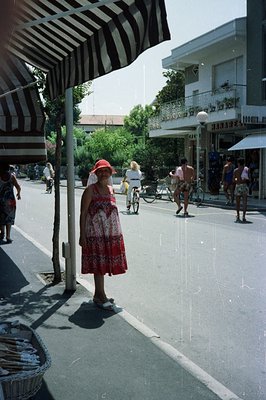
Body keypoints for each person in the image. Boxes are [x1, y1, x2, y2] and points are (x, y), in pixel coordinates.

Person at [79, 159, 127, 311]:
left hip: (110, 234)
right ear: (96, 173)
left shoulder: (111, 189)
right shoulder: (90, 190)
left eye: (106, 170)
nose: (103, 173)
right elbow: (83, 213)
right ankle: (102, 296)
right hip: (95, 234)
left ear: (110, 172)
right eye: (100, 171)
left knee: (104, 264)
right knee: (98, 265)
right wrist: (82, 235)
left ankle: (97, 295)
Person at [0, 163, 21, 243]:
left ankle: (2, 233)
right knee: (9, 218)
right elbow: (18, 187)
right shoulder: (12, 177)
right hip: (10, 200)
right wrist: (18, 194)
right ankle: (8, 236)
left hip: (1, 200)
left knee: (1, 217)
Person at [233, 157, 250, 223]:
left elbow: (234, 180)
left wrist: (237, 179)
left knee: (237, 203)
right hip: (244, 186)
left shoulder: (236, 170)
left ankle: (238, 215)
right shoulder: (247, 169)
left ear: (238, 163)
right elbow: (249, 178)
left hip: (238, 186)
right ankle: (244, 216)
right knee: (245, 202)